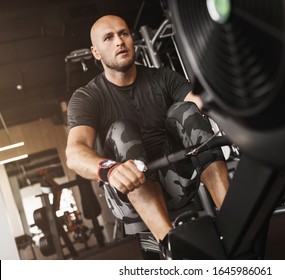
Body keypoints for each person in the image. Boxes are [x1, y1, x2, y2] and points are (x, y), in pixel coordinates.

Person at [65, 15, 230, 248]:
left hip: (178, 182)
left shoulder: (162, 77)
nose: (119, 42)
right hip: (127, 194)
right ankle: (171, 245)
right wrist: (110, 170)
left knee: (186, 109)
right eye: (109, 38)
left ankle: (234, 221)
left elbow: (202, 105)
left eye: (123, 34)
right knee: (122, 129)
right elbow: (74, 153)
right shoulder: (87, 97)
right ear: (96, 52)